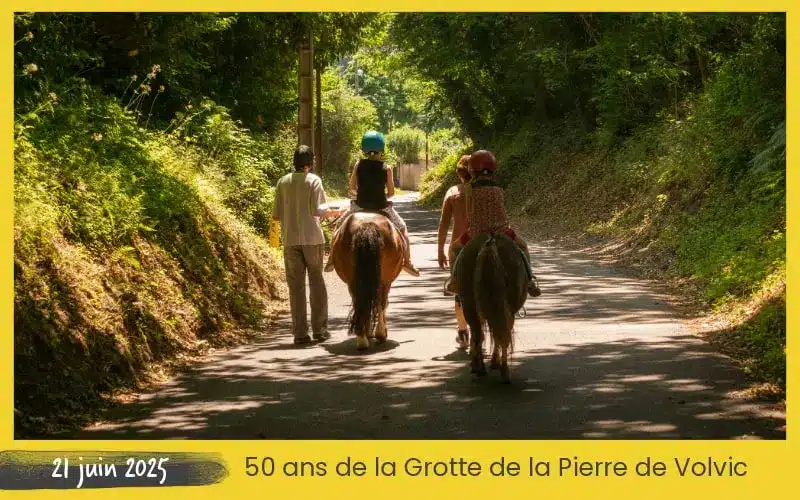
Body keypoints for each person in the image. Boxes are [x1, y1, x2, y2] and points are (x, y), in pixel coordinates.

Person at [272, 145, 344, 345]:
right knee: (316, 282)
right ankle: (320, 330)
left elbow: (276, 215)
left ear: (294, 162)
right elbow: (318, 211)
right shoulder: (314, 180)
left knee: (295, 287)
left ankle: (300, 333)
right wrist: (338, 213)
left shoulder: (282, 182)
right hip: (312, 239)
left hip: (290, 240)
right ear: (310, 163)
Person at [444, 150, 541, 298]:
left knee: (454, 249)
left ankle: (455, 282)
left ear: (472, 170)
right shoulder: (498, 189)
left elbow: (470, 213)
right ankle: (529, 280)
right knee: (523, 247)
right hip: (502, 231)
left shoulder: (469, 190)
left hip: (476, 233)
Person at [325, 130, 420, 277]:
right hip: (381, 206)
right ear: (381, 148)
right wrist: (383, 194)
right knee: (402, 228)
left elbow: (351, 187)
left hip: (359, 206)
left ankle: (331, 258)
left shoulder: (358, 164)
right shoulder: (386, 168)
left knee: (338, 228)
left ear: (364, 148)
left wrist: (358, 193)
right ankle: (407, 261)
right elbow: (391, 193)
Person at [437, 155, 472, 348]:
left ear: (460, 174)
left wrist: (440, 250)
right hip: (485, 238)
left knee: (458, 290)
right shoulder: (486, 191)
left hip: (459, 246)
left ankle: (462, 331)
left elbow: (443, 225)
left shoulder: (452, 192)